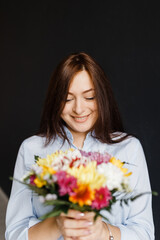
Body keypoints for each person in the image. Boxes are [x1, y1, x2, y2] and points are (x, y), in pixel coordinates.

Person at [5, 52, 154, 240]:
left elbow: (145, 233)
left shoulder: (129, 148)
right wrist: (58, 222)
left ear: (102, 97)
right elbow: (13, 235)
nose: (79, 109)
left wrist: (103, 232)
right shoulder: (32, 150)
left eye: (90, 97)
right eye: (67, 99)